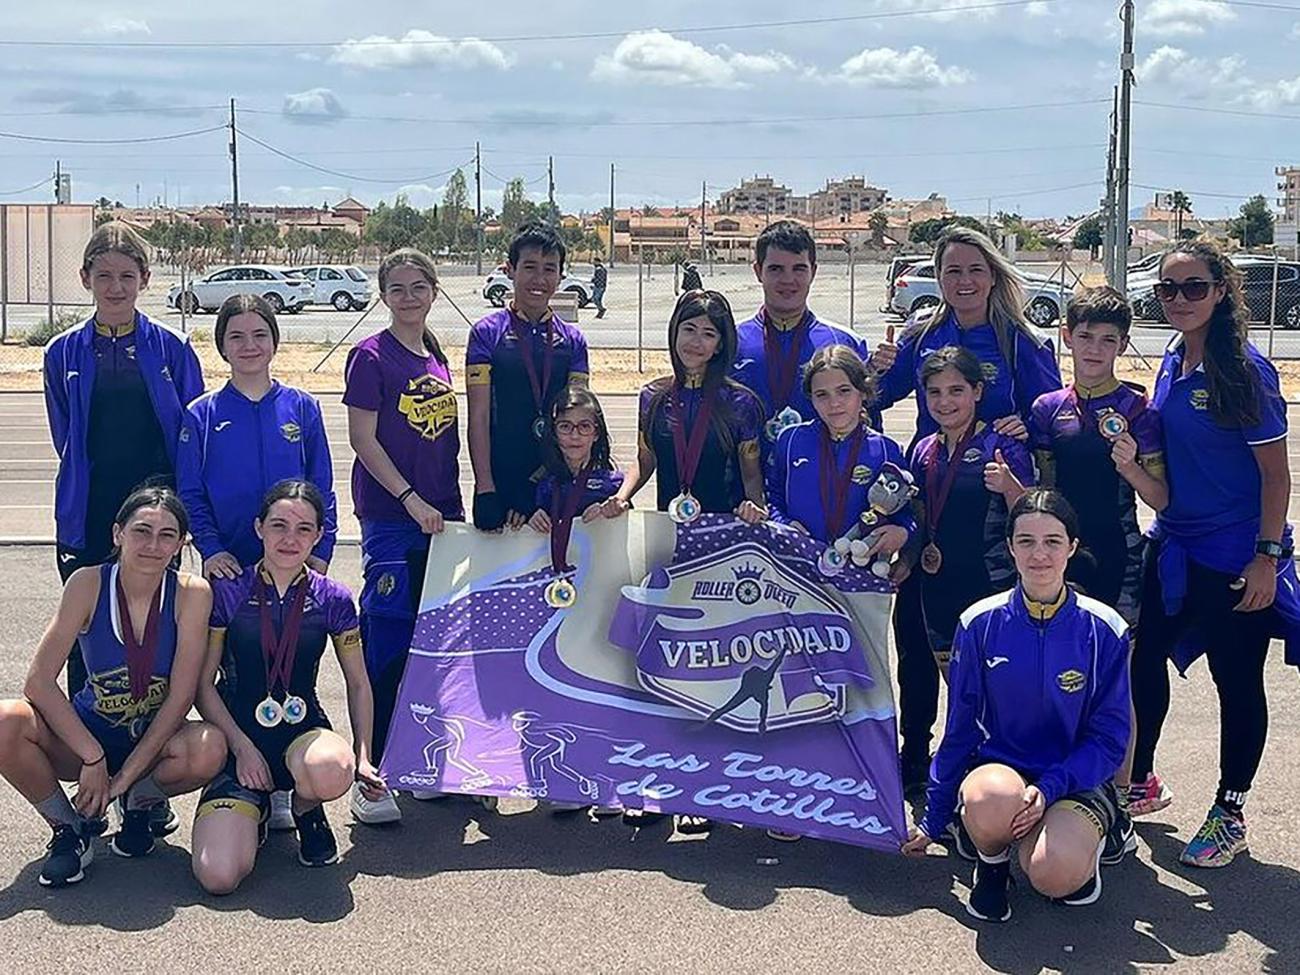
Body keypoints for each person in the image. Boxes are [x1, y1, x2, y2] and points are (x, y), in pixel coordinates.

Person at [871, 225, 1060, 800]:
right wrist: (874, 367)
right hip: (929, 499)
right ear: (939, 277)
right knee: (916, 638)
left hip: (990, 512)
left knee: (983, 650)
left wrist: (1029, 428)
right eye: (952, 270)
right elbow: (872, 398)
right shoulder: (922, 335)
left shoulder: (1019, 341)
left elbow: (1051, 415)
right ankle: (913, 752)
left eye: (975, 269)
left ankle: (989, 754)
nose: (964, 281)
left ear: (995, 274)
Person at [1129, 239, 1300, 868]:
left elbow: (1276, 477)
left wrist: (1266, 556)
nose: (1179, 300)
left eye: (1194, 288)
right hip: (1174, 541)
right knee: (1140, 655)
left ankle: (1231, 811)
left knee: (1236, 682)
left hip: (1236, 555)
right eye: (1168, 290)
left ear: (1221, 292)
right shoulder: (1173, 356)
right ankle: (1140, 779)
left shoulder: (1247, 370)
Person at [902, 489, 1131, 923]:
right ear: (1010, 548)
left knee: (1053, 874)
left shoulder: (1104, 629)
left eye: (1052, 541)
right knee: (988, 798)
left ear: (1072, 547)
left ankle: (1090, 836)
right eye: (1026, 541)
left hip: (1073, 780)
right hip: (1003, 774)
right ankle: (990, 865)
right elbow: (961, 729)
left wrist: (1050, 788)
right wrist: (933, 819)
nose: (1038, 554)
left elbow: (1109, 738)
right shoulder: (978, 623)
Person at [0, 486, 225, 887]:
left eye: (167, 535)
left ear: (180, 544)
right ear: (118, 533)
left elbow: (180, 697)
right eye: (141, 531)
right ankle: (70, 830)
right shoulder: (88, 583)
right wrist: (92, 757)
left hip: (153, 744)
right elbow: (39, 681)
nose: (153, 545)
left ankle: (138, 802)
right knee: (5, 720)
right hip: (89, 737)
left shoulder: (192, 593)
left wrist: (123, 779)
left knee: (210, 746)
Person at [608, 288, 766, 834]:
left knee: (711, 674)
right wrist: (624, 494)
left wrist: (756, 506)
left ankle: (702, 792)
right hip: (667, 549)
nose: (697, 342)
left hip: (721, 555)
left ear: (722, 343)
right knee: (656, 666)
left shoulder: (742, 403)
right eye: (689, 330)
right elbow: (646, 460)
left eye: (710, 333)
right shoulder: (652, 397)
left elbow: (752, 478)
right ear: (674, 334)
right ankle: (652, 783)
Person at [190, 481, 385, 890]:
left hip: (301, 731)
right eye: (279, 525)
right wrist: (241, 748)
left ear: (318, 536)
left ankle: (306, 808)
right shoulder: (227, 593)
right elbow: (203, 686)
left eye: (303, 529)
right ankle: (254, 809)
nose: (289, 539)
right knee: (218, 876)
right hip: (237, 741)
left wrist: (363, 754)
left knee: (334, 770)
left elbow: (359, 684)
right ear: (259, 528)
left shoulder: (333, 598)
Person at [44, 222, 205, 700]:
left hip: (157, 513)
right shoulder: (62, 352)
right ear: (84, 278)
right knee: (84, 626)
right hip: (90, 512)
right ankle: (85, 747)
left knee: (157, 621)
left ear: (146, 279)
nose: (115, 287)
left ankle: (150, 746)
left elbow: (190, 435)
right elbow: (64, 435)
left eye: (127, 277)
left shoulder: (172, 349)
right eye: (104, 276)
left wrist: (180, 508)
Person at [343, 248, 463, 826]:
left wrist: (441, 504)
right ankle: (373, 770)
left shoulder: (434, 352)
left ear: (434, 291)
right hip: (395, 521)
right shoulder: (370, 356)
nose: (409, 296)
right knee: (387, 643)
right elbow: (364, 440)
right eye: (397, 287)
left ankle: (418, 755)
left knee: (433, 642)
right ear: (383, 294)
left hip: (440, 519)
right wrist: (409, 499)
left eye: (419, 286)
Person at [178, 293, 337, 581]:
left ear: (274, 342)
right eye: (236, 337)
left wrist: (321, 551)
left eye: (260, 335)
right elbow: (190, 492)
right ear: (222, 346)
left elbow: (322, 486)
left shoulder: (303, 406)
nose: (249, 345)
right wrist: (211, 549)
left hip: (294, 562)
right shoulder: (201, 414)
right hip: (229, 567)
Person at [904, 346, 1033, 678]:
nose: (944, 402)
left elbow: (1034, 518)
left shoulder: (1002, 446)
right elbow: (917, 517)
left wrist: (1009, 486)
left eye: (956, 390)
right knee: (958, 689)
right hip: (938, 586)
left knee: (1001, 687)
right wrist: (905, 561)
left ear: (977, 391)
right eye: (935, 392)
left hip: (992, 585)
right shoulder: (923, 450)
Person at [527, 386, 625, 816]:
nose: (573, 436)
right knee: (556, 684)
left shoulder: (613, 482)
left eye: (583, 427)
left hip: (597, 600)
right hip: (551, 600)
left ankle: (604, 779)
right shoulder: (540, 480)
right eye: (565, 427)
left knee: (598, 684)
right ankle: (564, 778)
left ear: (597, 431)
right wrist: (529, 517)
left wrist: (617, 510)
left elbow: (627, 539)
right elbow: (519, 530)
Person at [468, 222, 590, 531]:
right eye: (530, 267)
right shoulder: (485, 334)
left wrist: (555, 486)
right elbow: (478, 417)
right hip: (502, 487)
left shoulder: (574, 340)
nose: (539, 279)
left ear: (561, 276)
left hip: (556, 484)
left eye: (549, 269)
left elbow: (578, 420)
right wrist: (487, 488)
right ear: (510, 269)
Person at [731, 221, 868, 453]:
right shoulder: (730, 341)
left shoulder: (846, 344)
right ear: (758, 271)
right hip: (743, 484)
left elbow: (867, 428)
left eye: (798, 268)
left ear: (813, 272)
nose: (788, 280)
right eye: (776, 269)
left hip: (820, 484)